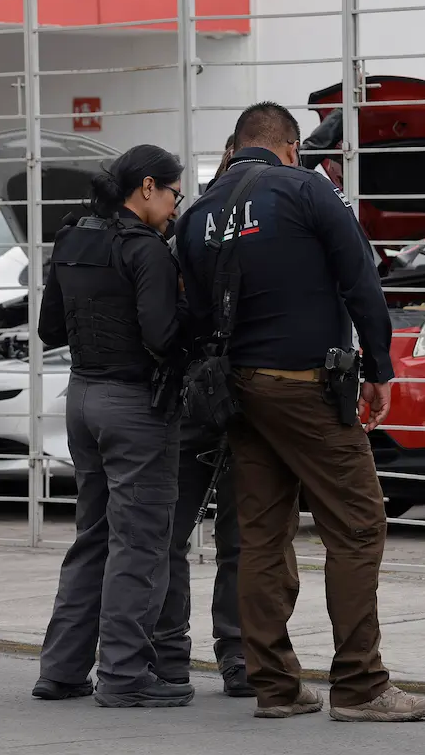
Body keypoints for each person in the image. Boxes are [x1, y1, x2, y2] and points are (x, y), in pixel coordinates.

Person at [175, 101, 425, 722]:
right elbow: (362, 283)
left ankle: (276, 686)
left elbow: (190, 313)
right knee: (358, 523)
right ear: (292, 146)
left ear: (237, 146)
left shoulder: (199, 213)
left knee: (263, 536)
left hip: (238, 394)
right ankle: (362, 686)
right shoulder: (307, 191)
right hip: (306, 387)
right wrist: (379, 368)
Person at [33, 144, 194, 709]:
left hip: (81, 398)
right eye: (174, 193)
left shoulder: (73, 236)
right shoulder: (146, 249)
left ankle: (61, 670)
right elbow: (160, 335)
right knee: (140, 543)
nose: (176, 206)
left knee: (93, 536)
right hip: (134, 406)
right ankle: (125, 675)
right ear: (147, 187)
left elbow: (49, 326)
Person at [152, 134, 252, 698]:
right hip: (211, 390)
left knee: (197, 529)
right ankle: (217, 654)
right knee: (209, 530)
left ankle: (184, 654)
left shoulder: (190, 221)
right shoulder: (193, 224)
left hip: (213, 390)